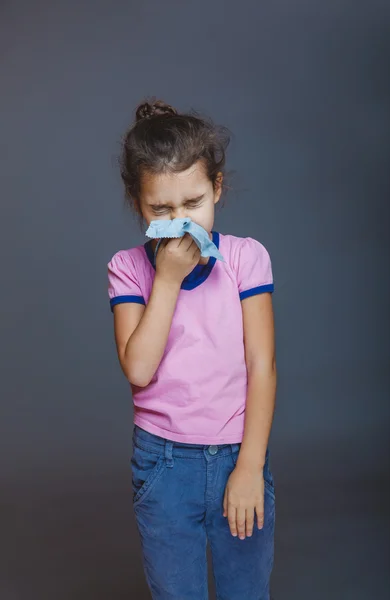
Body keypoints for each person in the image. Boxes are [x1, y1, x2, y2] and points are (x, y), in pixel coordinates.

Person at [107, 99, 277, 599]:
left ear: (217, 189)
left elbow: (261, 365)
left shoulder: (247, 258)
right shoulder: (127, 268)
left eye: (193, 204)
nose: (180, 222)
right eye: (161, 209)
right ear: (138, 202)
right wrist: (167, 278)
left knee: (246, 590)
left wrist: (249, 465)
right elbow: (138, 369)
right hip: (163, 464)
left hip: (238, 454)